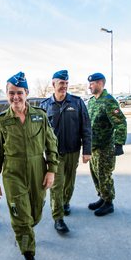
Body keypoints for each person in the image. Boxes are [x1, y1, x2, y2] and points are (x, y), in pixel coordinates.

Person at [0, 72, 59, 260]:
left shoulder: (40, 116)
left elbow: (51, 144)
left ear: (27, 93)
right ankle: (29, 258)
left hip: (38, 170)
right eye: (11, 93)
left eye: (20, 93)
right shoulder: (1, 122)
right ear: (7, 94)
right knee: (21, 219)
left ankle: (28, 231)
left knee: (34, 215)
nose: (15, 97)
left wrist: (51, 169)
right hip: (13, 175)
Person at [40, 70, 91, 233]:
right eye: (61, 83)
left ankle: (65, 202)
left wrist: (87, 150)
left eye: (66, 83)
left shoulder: (77, 103)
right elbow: (39, 133)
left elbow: (86, 127)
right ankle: (58, 218)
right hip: (54, 154)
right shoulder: (45, 106)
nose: (64, 86)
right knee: (57, 185)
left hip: (73, 151)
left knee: (69, 182)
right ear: (53, 84)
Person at [87, 72, 127, 216]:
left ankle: (109, 202)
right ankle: (102, 197)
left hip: (105, 147)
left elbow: (120, 122)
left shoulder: (109, 101)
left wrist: (119, 143)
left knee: (104, 175)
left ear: (100, 83)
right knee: (96, 174)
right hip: (93, 147)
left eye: (92, 83)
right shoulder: (91, 101)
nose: (90, 86)